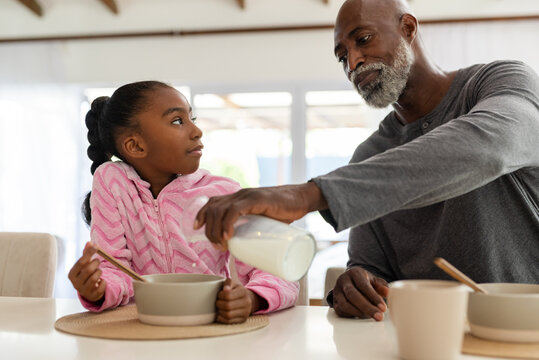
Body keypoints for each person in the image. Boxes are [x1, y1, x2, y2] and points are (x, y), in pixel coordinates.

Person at [194, 0, 539, 322]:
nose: (354, 63)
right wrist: (355, 284)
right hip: (422, 338)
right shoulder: (368, 156)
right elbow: (370, 267)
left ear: (407, 28)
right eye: (342, 56)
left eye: (363, 39)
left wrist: (307, 195)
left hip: (524, 327)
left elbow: (488, 147)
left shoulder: (501, 82)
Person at [68, 81, 299, 324]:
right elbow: (113, 269)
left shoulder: (223, 194)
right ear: (135, 145)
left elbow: (279, 269)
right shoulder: (111, 182)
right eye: (178, 121)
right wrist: (98, 287)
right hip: (142, 329)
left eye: (192, 118)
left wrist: (253, 298)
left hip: (209, 327)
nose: (197, 131)